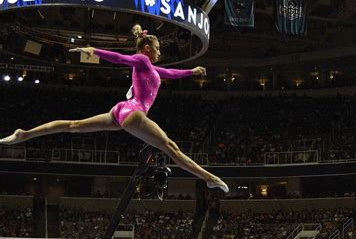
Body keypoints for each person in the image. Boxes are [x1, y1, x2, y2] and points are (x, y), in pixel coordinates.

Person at [0, 24, 228, 193]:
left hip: (121, 110)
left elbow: (171, 73)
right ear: (147, 48)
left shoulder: (152, 69)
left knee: (72, 126)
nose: (160, 53)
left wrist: (193, 72)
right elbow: (120, 58)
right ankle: (209, 178)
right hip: (135, 113)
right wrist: (95, 51)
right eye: (158, 49)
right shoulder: (143, 60)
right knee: (171, 148)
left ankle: (24, 134)